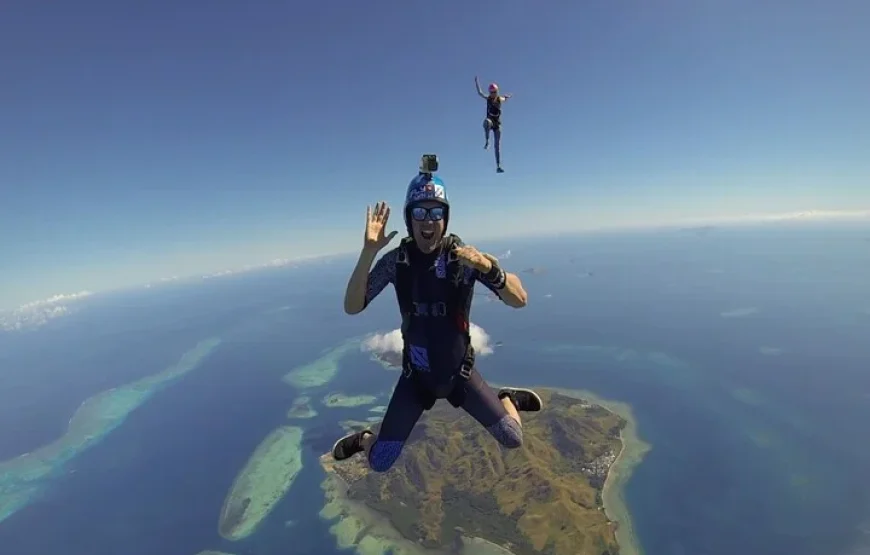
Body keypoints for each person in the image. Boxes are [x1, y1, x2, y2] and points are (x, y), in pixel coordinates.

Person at [332, 163, 542, 473]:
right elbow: (352, 306)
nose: (428, 222)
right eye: (420, 213)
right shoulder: (397, 262)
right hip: (415, 379)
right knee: (379, 461)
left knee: (512, 437)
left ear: (445, 218)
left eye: (435, 213)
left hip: (460, 375)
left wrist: (487, 268)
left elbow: (519, 299)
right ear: (409, 218)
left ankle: (507, 398)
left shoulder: (465, 258)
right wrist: (368, 252)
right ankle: (364, 439)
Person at [475, 76, 512, 173]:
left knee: (497, 146)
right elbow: (480, 93)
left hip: (497, 124)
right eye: (491, 93)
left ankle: (498, 166)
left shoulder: (500, 99)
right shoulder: (488, 99)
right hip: (490, 121)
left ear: (497, 92)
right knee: (486, 122)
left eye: (494, 92)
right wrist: (476, 82)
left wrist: (507, 97)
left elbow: (505, 98)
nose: (493, 94)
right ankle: (487, 141)